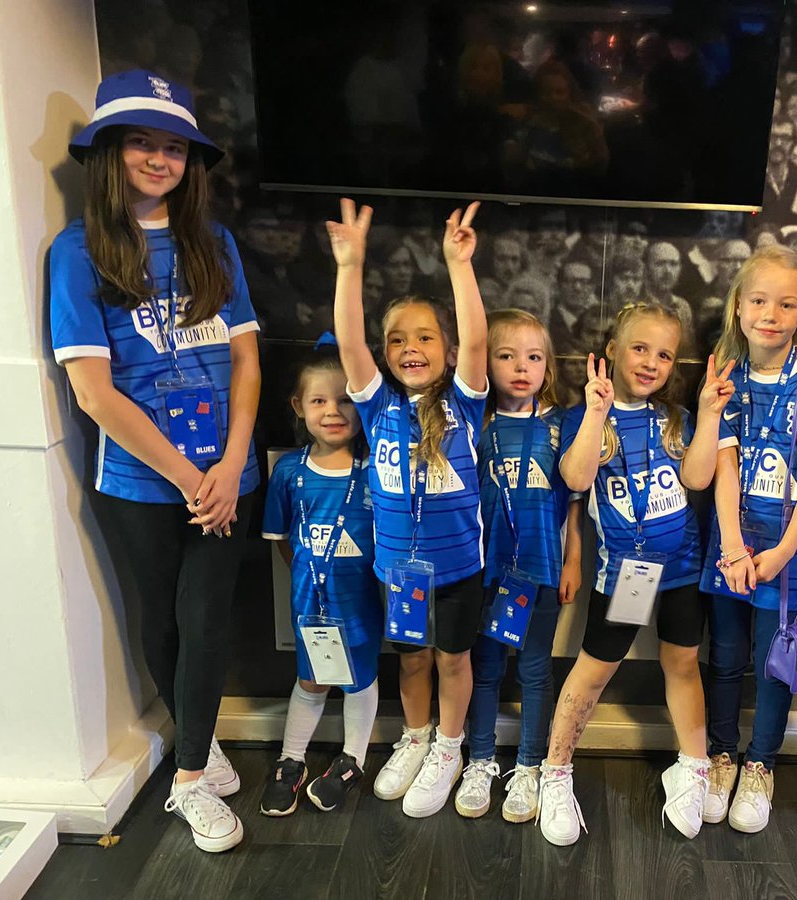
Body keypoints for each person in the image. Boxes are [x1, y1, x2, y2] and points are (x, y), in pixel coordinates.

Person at [50, 70, 261, 853]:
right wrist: (187, 476)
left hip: (225, 477)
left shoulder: (217, 245)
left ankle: (188, 777)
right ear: (110, 151)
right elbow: (94, 393)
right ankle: (200, 750)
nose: (158, 158)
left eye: (173, 147)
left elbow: (246, 361)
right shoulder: (78, 253)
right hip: (139, 484)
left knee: (206, 620)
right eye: (142, 142)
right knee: (166, 626)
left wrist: (233, 463)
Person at [537, 303, 736, 846]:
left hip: (680, 571)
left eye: (665, 354)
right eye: (640, 349)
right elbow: (575, 476)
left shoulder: (673, 418)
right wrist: (597, 411)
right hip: (623, 575)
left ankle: (692, 767)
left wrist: (710, 414)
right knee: (595, 668)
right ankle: (555, 772)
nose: (651, 362)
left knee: (684, 663)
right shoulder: (588, 416)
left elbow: (697, 479)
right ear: (613, 353)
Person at [329, 198, 489, 819]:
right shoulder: (376, 404)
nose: (410, 347)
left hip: (457, 573)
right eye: (397, 339)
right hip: (398, 572)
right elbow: (348, 339)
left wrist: (459, 264)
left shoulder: (466, 402)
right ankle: (415, 737)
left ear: (445, 351)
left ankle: (450, 746)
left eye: (424, 337)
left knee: (453, 658)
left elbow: (477, 337)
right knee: (412, 659)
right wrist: (351, 265)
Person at [699, 247, 797, 833]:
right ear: (738, 308)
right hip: (732, 549)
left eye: (786, 304)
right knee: (726, 657)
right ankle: (720, 756)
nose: (771, 313)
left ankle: (760, 765)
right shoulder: (725, 379)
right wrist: (734, 546)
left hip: (790, 554)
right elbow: (724, 465)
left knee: (773, 664)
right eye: (759, 300)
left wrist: (783, 551)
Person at [455, 310, 583, 822]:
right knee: (484, 669)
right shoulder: (474, 420)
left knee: (534, 671)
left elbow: (574, 501)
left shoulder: (561, 423)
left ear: (547, 366)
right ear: (485, 362)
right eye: (506, 356)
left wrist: (574, 558)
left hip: (541, 570)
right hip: (484, 571)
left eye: (533, 357)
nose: (520, 367)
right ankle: (480, 760)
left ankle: (530, 765)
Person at [258, 340, 382, 816]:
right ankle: (291, 761)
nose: (334, 411)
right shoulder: (289, 472)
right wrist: (314, 574)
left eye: (346, 398)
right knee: (310, 681)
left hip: (361, 604)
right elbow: (283, 541)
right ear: (298, 406)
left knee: (359, 680)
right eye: (319, 400)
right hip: (309, 605)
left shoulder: (374, 470)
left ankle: (354, 759)